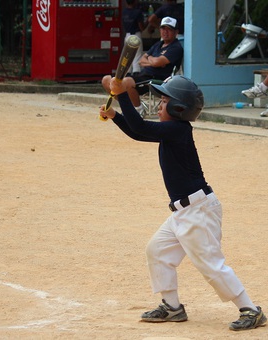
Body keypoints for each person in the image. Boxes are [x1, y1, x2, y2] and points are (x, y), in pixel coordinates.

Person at [99, 74, 267, 331]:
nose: (159, 105)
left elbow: (143, 128)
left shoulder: (178, 130)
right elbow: (139, 134)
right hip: (183, 210)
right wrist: (116, 117)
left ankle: (251, 310)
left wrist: (121, 94)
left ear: (179, 109)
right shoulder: (170, 132)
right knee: (157, 251)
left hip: (198, 210)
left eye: (164, 101)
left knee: (210, 264)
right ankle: (172, 307)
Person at [102, 16, 183, 117]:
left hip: (158, 80)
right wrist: (152, 61)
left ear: (176, 32)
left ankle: (139, 110)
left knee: (126, 82)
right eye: (163, 28)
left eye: (169, 29)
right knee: (107, 80)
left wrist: (151, 59)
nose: (165, 32)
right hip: (144, 75)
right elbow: (141, 60)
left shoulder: (176, 47)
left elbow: (157, 62)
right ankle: (128, 108)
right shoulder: (158, 44)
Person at [122, 0, 145, 74]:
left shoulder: (124, 12)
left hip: (127, 35)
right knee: (137, 56)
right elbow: (142, 28)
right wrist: (148, 22)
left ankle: (127, 74)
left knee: (127, 56)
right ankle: (136, 74)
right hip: (136, 35)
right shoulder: (138, 12)